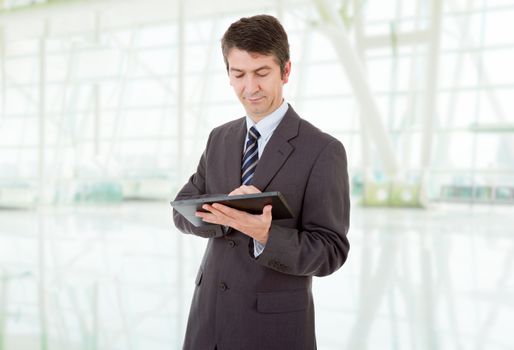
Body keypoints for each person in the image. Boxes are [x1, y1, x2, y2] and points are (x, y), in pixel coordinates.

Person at [173, 14, 350, 350]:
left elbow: (331, 250)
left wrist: (265, 235)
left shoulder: (322, 150)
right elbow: (181, 210)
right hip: (207, 322)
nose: (249, 88)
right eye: (238, 74)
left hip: (273, 330)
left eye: (261, 73)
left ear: (285, 71)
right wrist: (225, 214)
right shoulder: (219, 138)